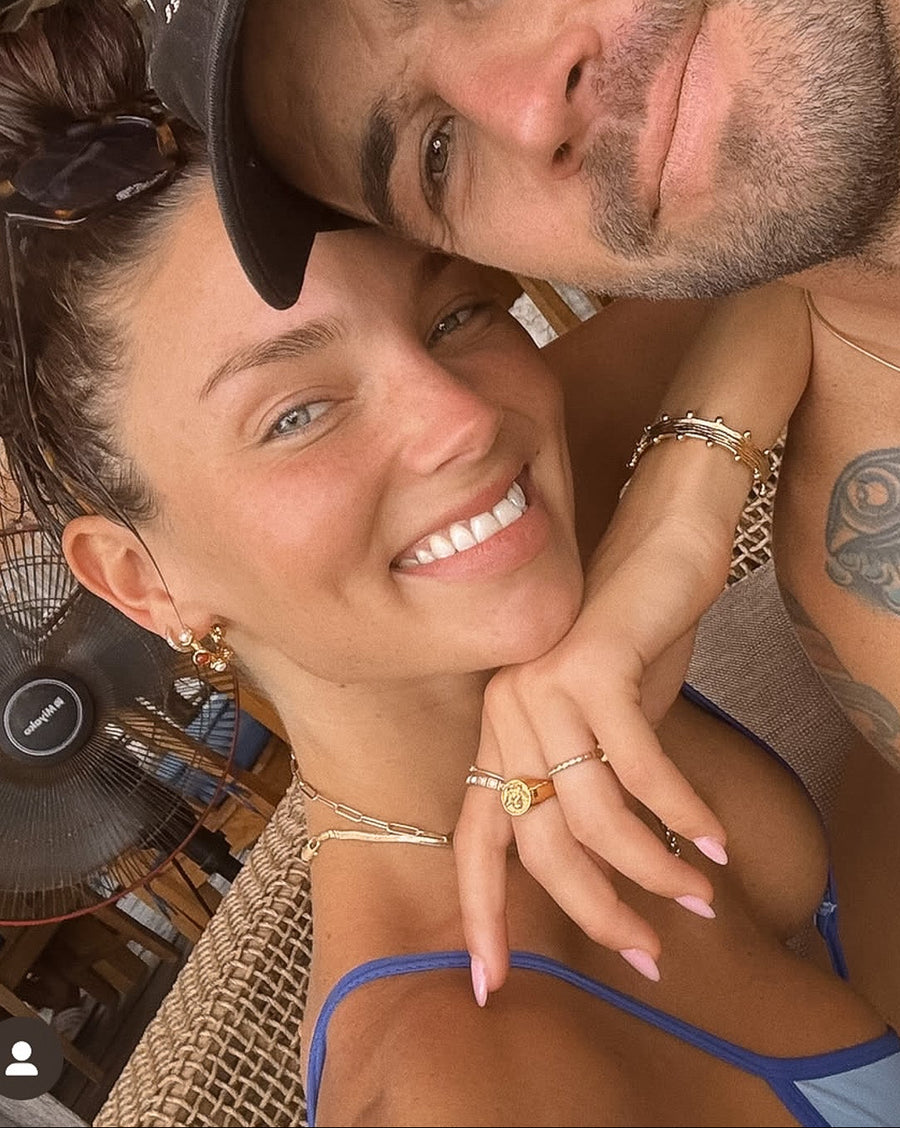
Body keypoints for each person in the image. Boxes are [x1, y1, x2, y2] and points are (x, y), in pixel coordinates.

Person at [3, 6, 900, 1124]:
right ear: (139, 581)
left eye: (454, 310)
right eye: (296, 415)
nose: (460, 419)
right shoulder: (449, 1085)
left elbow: (780, 238)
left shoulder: (505, 489)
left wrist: (684, 504)